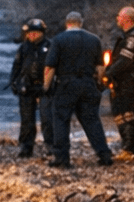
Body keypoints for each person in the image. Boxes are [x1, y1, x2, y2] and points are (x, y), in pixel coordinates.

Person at [43, 11, 113, 169]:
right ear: (81, 23)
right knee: (92, 120)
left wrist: (46, 87)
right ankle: (104, 154)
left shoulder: (59, 40)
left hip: (66, 85)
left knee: (61, 120)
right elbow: (100, 66)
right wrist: (100, 83)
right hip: (88, 84)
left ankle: (62, 158)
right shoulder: (94, 39)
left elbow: (50, 67)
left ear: (67, 23)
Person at [103, 6, 134, 160]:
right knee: (121, 115)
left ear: (127, 19)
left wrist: (108, 73)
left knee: (128, 115)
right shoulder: (129, 36)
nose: (117, 19)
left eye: (119, 16)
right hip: (123, 83)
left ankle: (132, 150)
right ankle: (129, 148)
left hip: (130, 82)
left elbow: (124, 60)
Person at [9, 16, 53, 159]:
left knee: (47, 119)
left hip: (45, 87)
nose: (31, 35)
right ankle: (26, 147)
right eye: (30, 33)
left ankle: (51, 147)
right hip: (26, 87)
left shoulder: (50, 46)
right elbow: (16, 66)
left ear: (42, 33)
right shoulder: (23, 48)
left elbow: (55, 67)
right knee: (27, 119)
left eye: (35, 32)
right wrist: (13, 82)